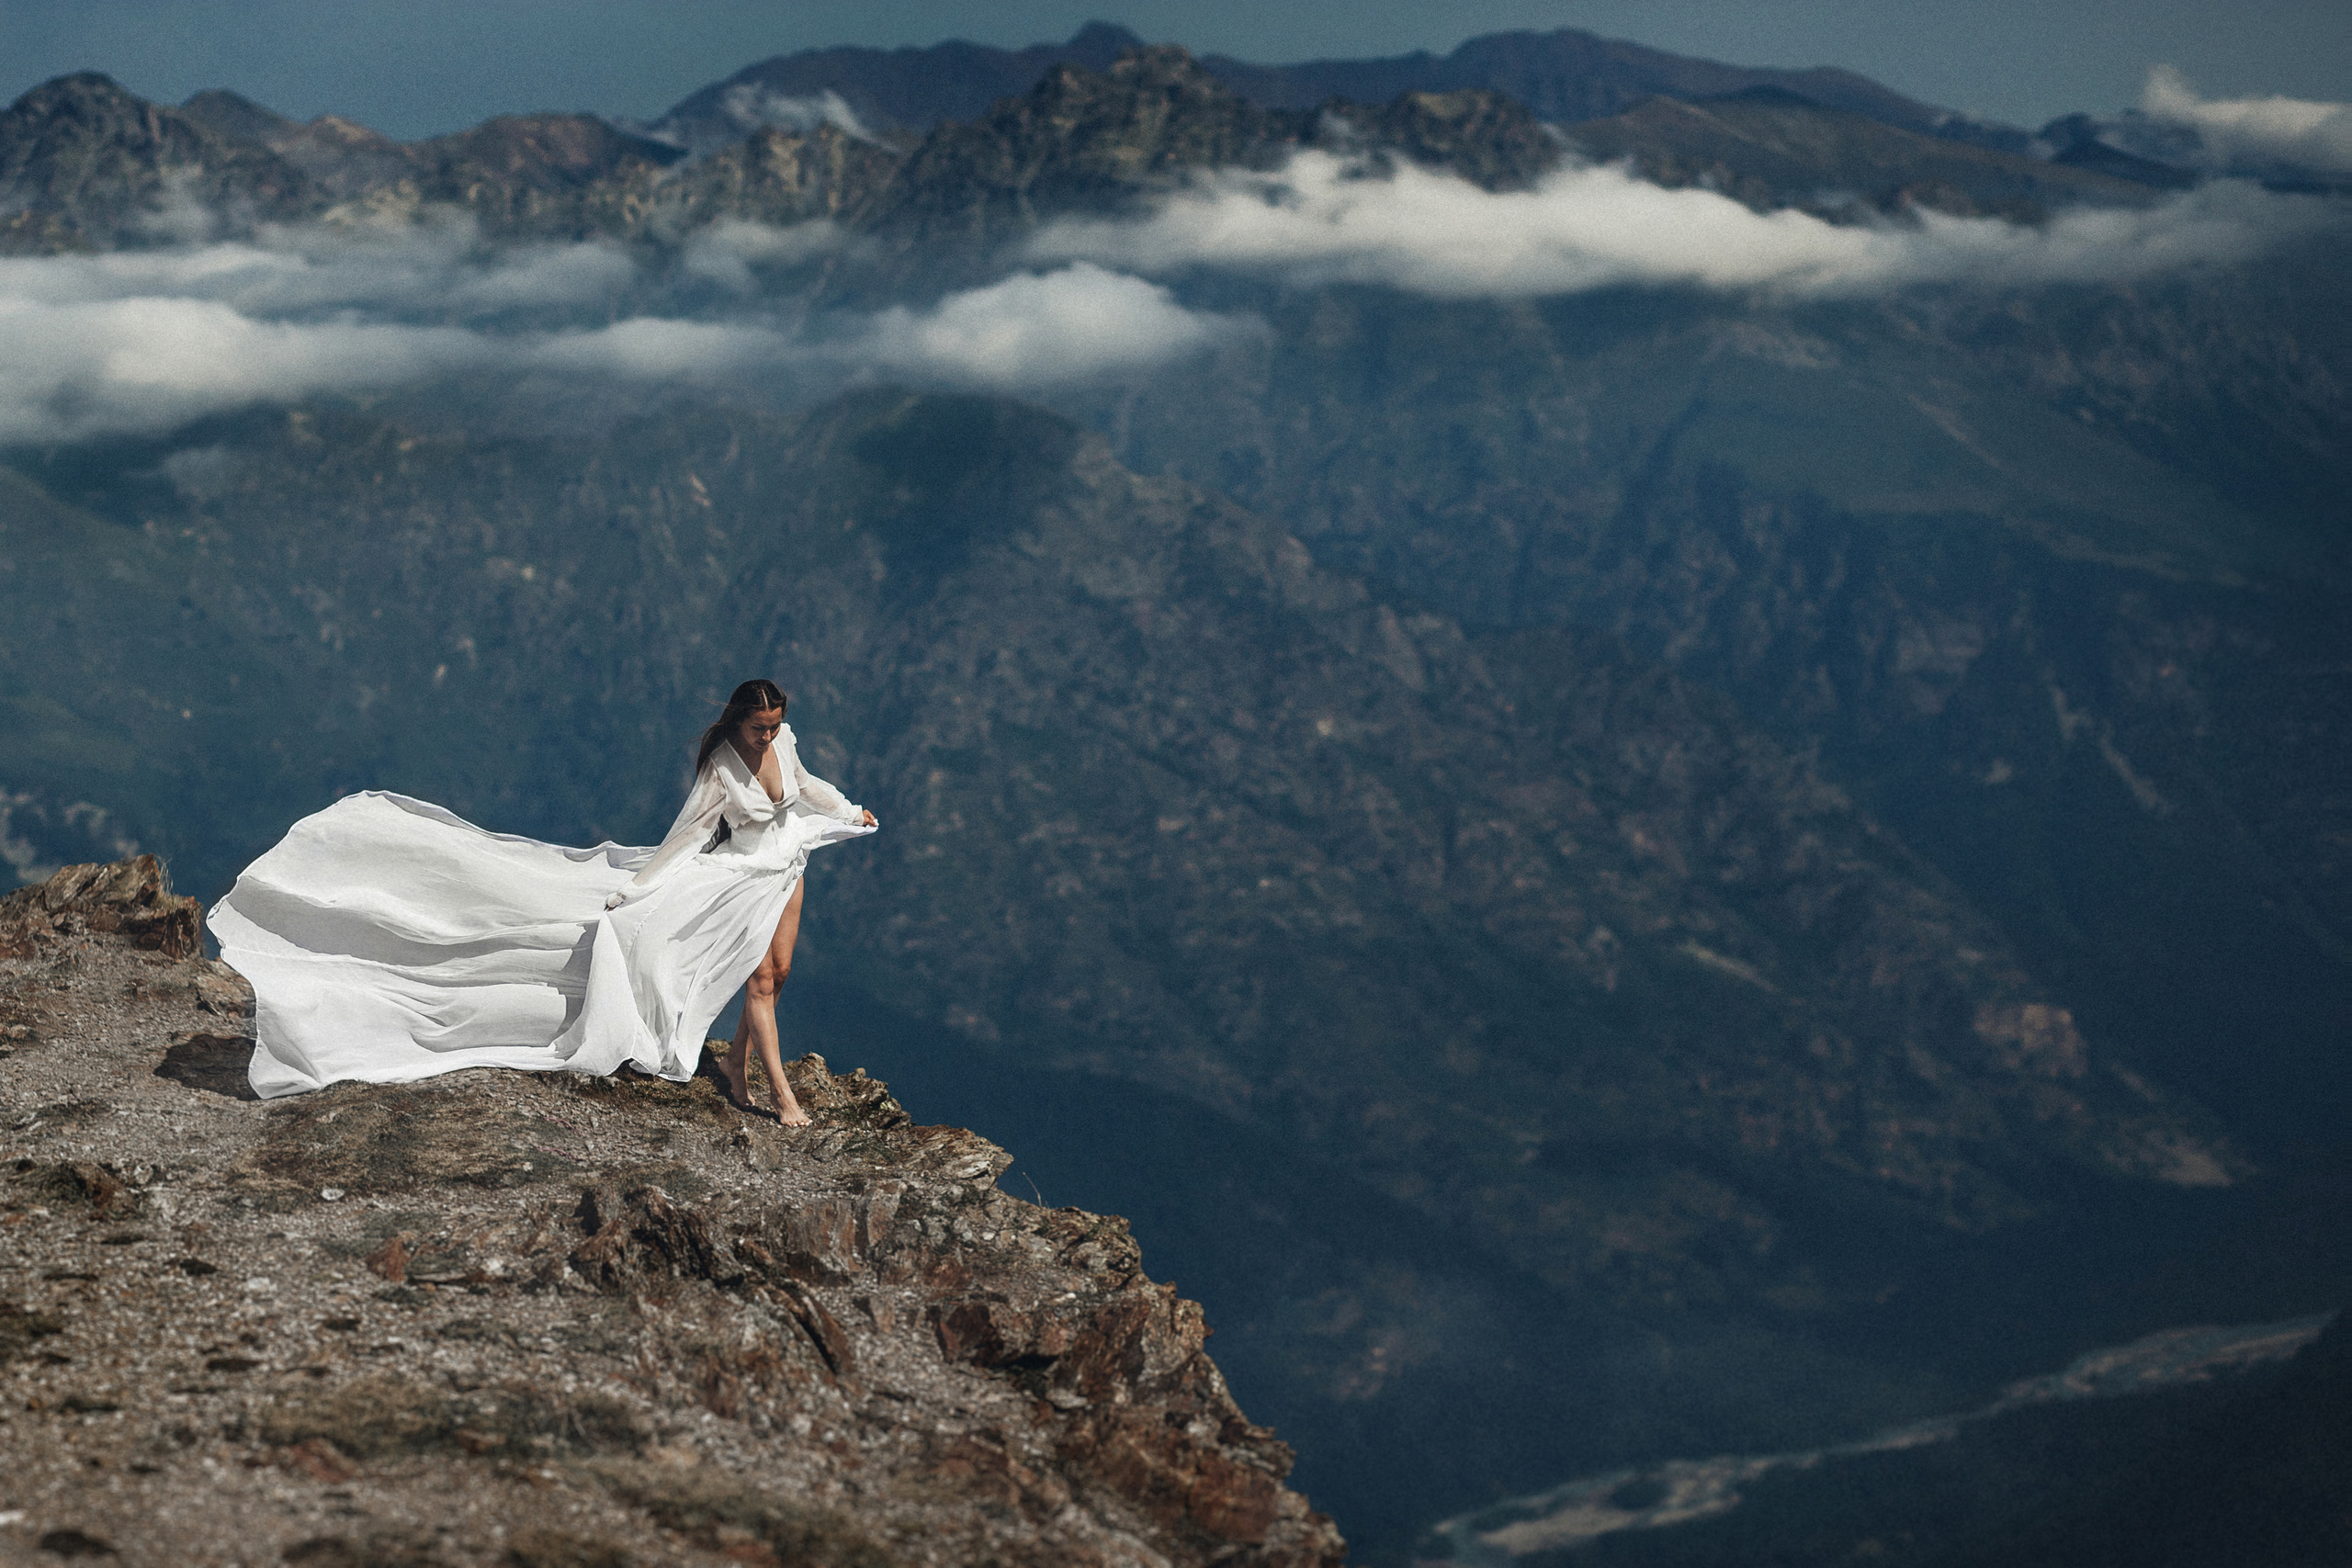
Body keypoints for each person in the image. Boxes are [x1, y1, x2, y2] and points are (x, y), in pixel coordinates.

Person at [209, 680, 876, 1115]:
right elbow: (683, 839)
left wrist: (849, 808)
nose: (769, 736)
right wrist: (636, 889)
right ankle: (782, 1098)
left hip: (790, 862)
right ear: (738, 722)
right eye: (760, 727)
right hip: (738, 880)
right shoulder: (720, 770)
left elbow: (806, 782)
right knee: (759, 980)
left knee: (777, 975)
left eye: (775, 726)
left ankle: (734, 1063)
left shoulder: (781, 740)